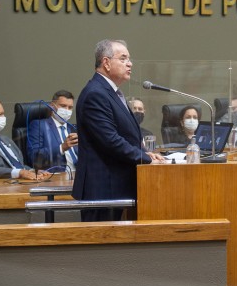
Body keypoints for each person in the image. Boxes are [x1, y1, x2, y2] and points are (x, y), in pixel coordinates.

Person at [71, 39, 166, 222]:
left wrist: (147, 153)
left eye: (129, 59)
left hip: (115, 186)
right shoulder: (95, 94)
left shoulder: (110, 92)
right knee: (103, 248)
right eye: (123, 59)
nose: (129, 64)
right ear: (106, 62)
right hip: (103, 188)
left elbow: (127, 134)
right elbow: (110, 140)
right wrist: (144, 158)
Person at [27, 90, 78, 174]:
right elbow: (34, 157)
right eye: (63, 106)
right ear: (52, 106)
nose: (67, 110)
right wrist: (62, 147)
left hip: (79, 174)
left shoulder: (74, 128)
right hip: (55, 176)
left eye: (70, 107)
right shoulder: (39, 125)